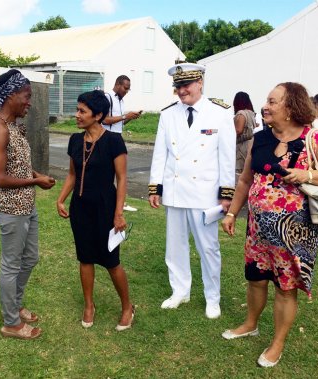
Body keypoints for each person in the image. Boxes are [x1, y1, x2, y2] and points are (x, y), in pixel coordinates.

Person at [221, 82, 318, 367]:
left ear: (291, 108)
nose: (265, 107)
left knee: (285, 288)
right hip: (257, 230)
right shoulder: (261, 138)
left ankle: (277, 343)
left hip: (294, 234)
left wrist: (306, 175)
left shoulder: (314, 138)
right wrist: (232, 213)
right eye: (266, 101)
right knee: (255, 279)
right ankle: (250, 323)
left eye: (272, 102)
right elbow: (246, 180)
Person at [148, 63, 236, 319]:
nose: (182, 90)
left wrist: (226, 193)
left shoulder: (220, 112)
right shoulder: (168, 114)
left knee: (208, 248)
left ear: (200, 83)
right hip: (175, 190)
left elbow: (226, 157)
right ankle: (180, 291)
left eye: (186, 84)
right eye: (178, 86)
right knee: (174, 247)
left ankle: (212, 297)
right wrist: (156, 187)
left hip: (204, 193)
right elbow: (159, 154)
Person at [57, 90, 135, 331]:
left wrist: (118, 213)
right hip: (80, 207)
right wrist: (61, 199)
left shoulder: (113, 141)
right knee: (85, 257)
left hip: (106, 208)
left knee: (112, 261)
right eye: (77, 109)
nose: (77, 115)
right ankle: (89, 305)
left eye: (82, 111)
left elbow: (122, 179)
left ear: (98, 115)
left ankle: (127, 307)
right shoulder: (74, 140)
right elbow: (72, 174)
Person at [0, 69, 56, 339]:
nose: (29, 102)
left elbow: (20, 167)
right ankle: (11, 322)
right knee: (11, 264)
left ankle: (14, 306)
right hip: (11, 210)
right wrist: (35, 182)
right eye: (26, 96)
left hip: (27, 206)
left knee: (30, 258)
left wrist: (37, 175)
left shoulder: (15, 126)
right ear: (11, 96)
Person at [102, 75, 142, 212]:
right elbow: (104, 120)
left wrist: (130, 118)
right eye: (125, 88)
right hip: (108, 138)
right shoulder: (107, 97)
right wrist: (125, 115)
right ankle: (114, 202)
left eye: (128, 89)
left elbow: (120, 122)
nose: (126, 91)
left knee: (121, 173)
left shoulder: (121, 101)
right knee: (108, 172)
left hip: (118, 137)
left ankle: (121, 203)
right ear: (118, 84)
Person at [233, 92, 257, 173]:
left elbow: (238, 130)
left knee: (239, 171)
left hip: (241, 146)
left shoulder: (241, 113)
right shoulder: (251, 113)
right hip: (250, 144)